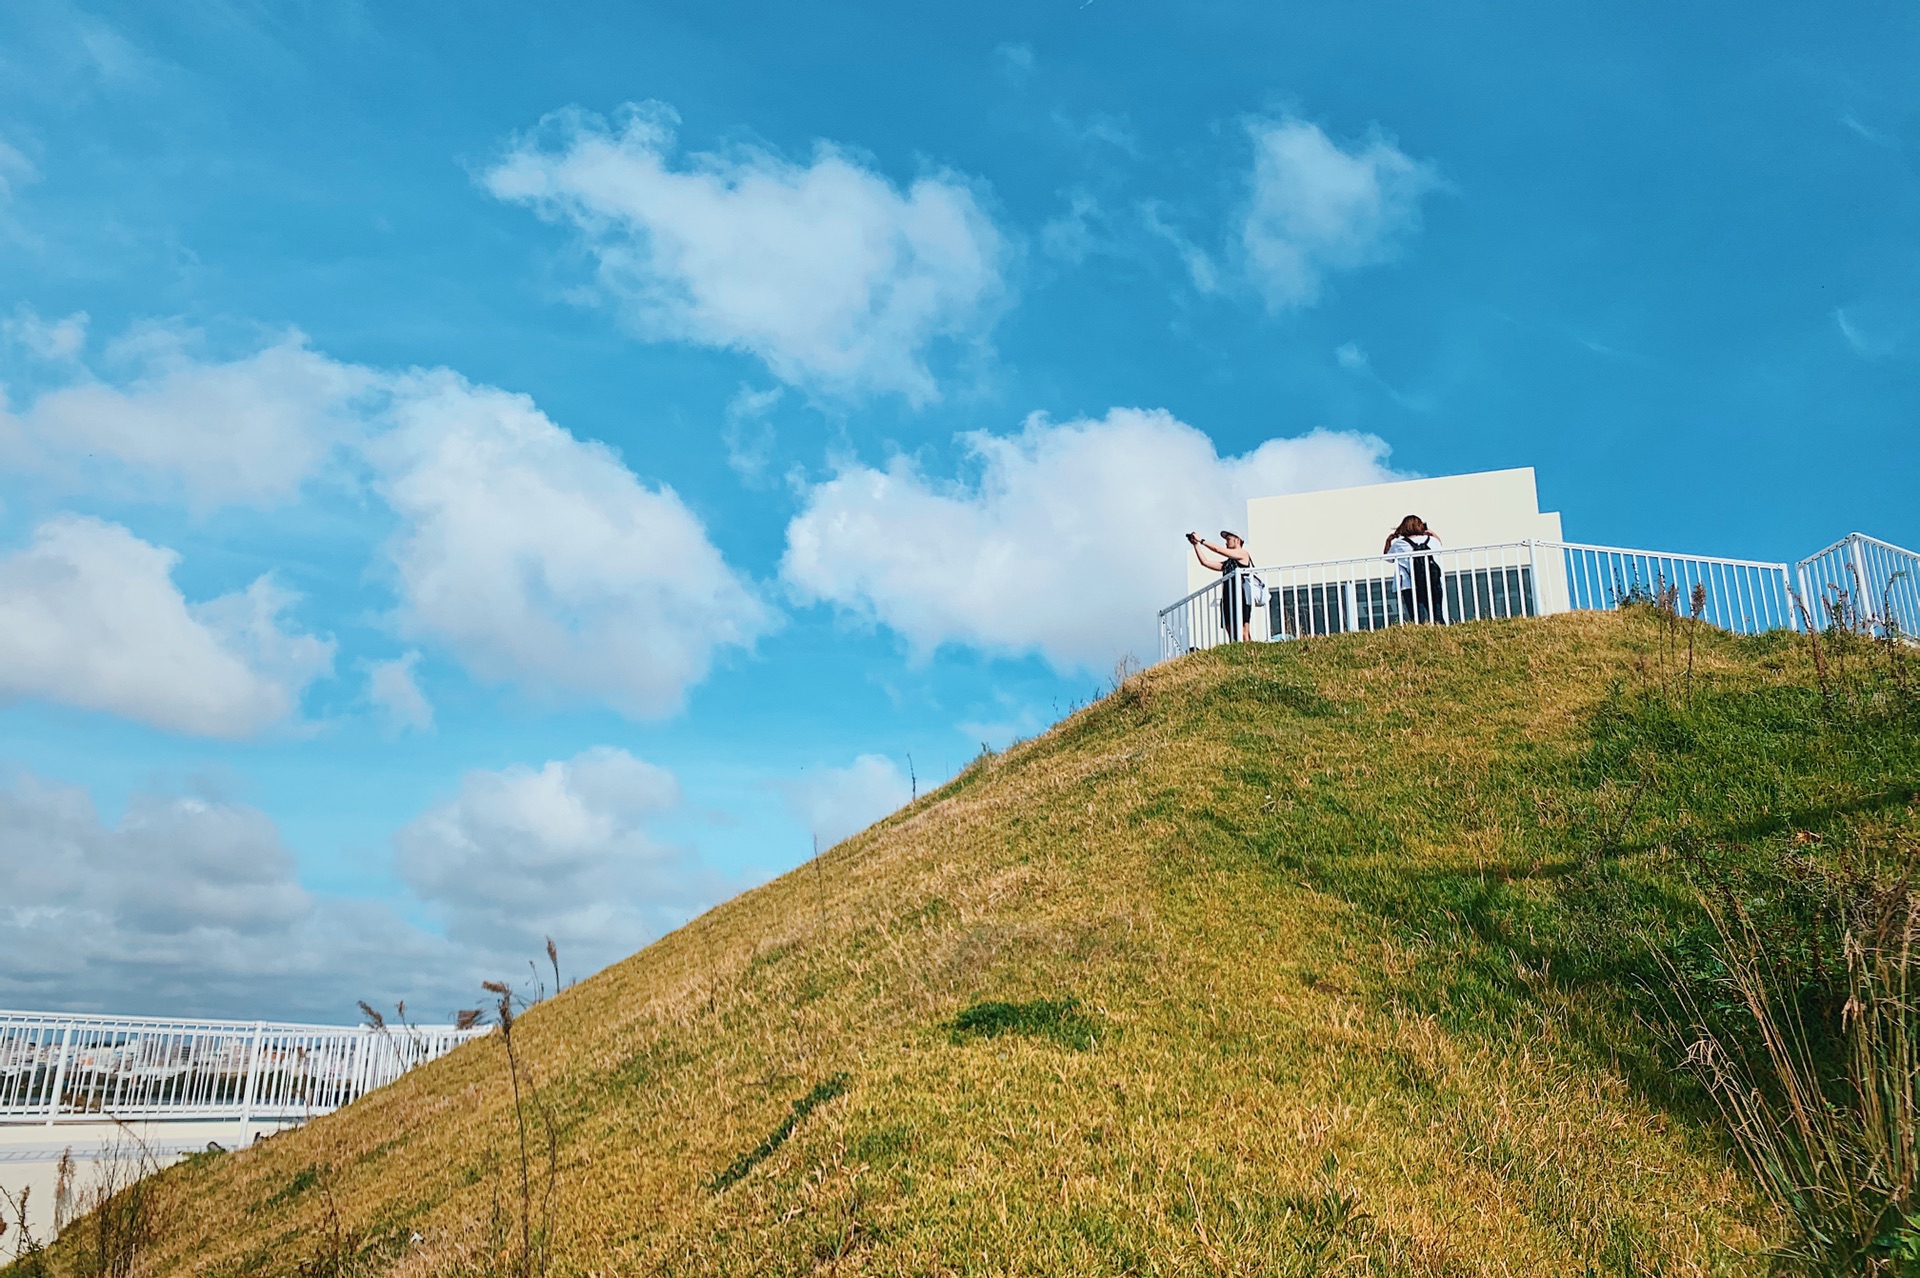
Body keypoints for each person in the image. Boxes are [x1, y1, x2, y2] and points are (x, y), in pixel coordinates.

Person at [1188, 529, 1254, 642]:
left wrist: (1202, 541)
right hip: (1228, 597)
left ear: (1237, 540)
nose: (1226, 542)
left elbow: (1218, 550)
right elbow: (1205, 562)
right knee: (1230, 630)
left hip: (1241, 595)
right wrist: (1196, 545)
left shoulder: (1243, 554)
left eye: (1228, 539)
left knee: (1244, 632)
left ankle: (1251, 654)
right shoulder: (1228, 562)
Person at [1384, 516, 1445, 624]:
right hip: (1433, 582)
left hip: (1409, 584)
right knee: (1437, 615)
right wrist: (1431, 532)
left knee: (1417, 617)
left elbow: (1388, 558)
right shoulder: (1432, 541)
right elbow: (1440, 545)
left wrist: (1388, 541)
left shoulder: (1399, 544)